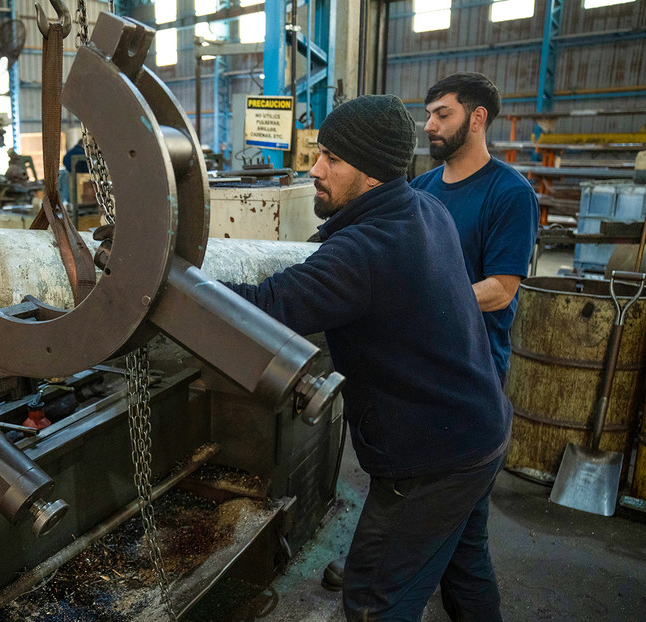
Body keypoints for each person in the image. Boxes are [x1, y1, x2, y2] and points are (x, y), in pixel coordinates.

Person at [221, 95, 510, 621]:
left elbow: (264, 309)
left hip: (429, 462)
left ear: (373, 174)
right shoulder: (425, 208)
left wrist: (167, 280)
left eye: (332, 158)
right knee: (465, 569)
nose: (315, 169)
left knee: (375, 600)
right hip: (479, 431)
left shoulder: (364, 251)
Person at [411, 72, 540, 385]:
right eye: (429, 115)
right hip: (416, 353)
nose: (429, 126)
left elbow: (500, 290)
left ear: (477, 118)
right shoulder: (418, 190)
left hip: (471, 367)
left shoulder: (510, 193)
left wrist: (426, 304)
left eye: (443, 114)